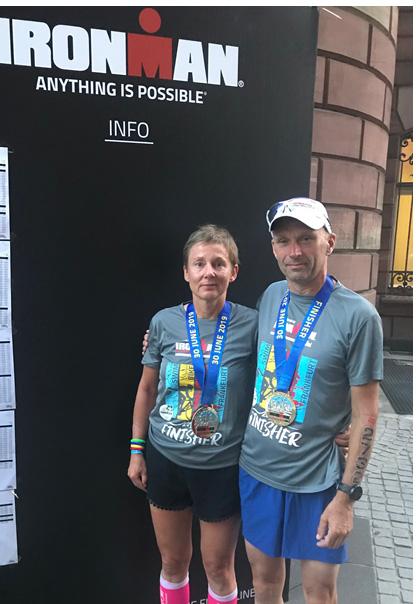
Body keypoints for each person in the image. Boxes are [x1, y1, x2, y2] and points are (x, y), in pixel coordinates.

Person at [239, 197, 383, 604]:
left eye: (306, 238)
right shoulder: (271, 296)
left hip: (317, 482)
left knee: (319, 593)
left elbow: (367, 412)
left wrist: (346, 496)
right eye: (283, 241)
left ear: (329, 242)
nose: (294, 251)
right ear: (273, 248)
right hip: (258, 470)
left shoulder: (359, 316)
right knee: (265, 584)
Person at [128, 225, 257, 604]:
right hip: (166, 460)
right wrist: (137, 449)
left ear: (234, 271)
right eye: (199, 264)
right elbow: (147, 389)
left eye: (219, 263)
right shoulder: (164, 322)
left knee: (219, 567)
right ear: (186, 272)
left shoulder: (253, 324)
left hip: (221, 465)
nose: (208, 272)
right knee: (172, 562)